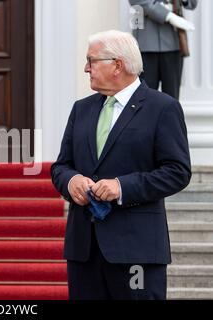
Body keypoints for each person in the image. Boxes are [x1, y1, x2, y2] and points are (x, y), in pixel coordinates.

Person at [51, 30, 191, 300]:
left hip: (136, 251)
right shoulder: (81, 109)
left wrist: (121, 187)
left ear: (117, 64)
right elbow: (61, 166)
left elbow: (177, 171)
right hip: (84, 250)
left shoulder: (162, 108)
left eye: (91, 61)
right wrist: (71, 181)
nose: (85, 68)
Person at [129, 0, 198, 100]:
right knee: (144, 97)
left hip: (172, 41)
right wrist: (168, 16)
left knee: (172, 97)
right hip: (146, 42)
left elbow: (192, 4)